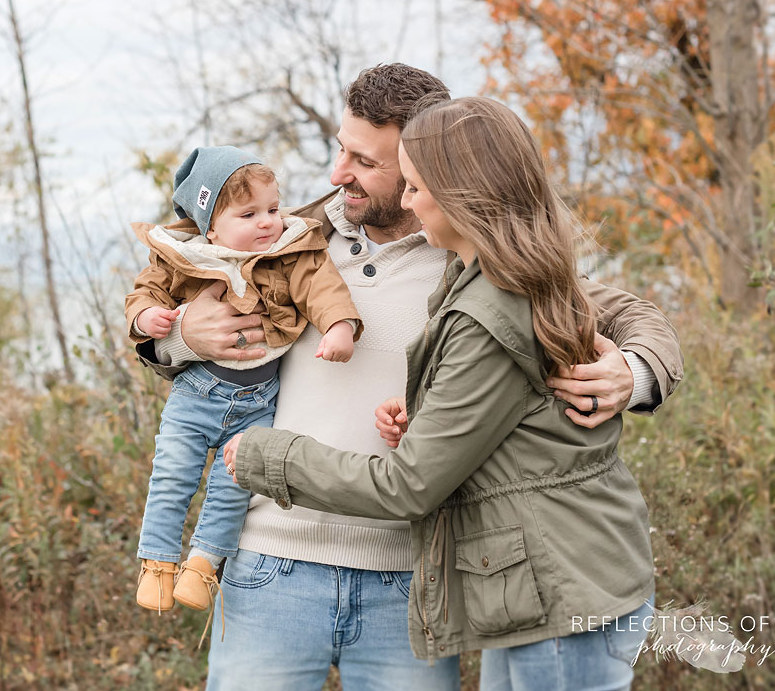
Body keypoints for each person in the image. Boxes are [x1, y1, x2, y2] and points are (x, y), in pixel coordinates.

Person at [136, 64, 681, 690]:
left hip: (408, 577)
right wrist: (179, 335)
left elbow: (627, 312)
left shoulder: (475, 254)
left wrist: (633, 372)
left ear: (424, 168)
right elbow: (171, 283)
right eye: (342, 149)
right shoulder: (285, 238)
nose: (341, 174)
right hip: (269, 564)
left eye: (366, 162)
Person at [127, 145, 361, 617]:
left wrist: (339, 325)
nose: (267, 222)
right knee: (173, 475)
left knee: (233, 485)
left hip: (259, 401)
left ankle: (202, 565)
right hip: (197, 394)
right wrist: (149, 316)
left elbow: (322, 286)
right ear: (211, 225)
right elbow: (146, 290)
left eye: (273, 209)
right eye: (248, 213)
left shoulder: (290, 251)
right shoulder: (185, 256)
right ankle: (156, 564)